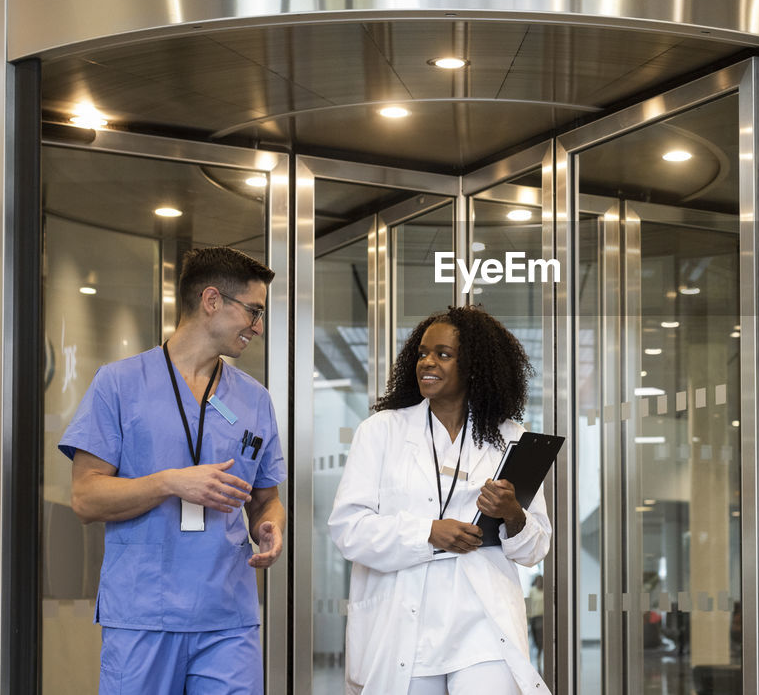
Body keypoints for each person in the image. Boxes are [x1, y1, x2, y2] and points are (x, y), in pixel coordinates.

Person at [59, 246, 287, 695]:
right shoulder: (119, 384)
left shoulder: (254, 399)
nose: (258, 327)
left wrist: (271, 527)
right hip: (144, 613)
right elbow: (85, 498)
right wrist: (169, 482)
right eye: (254, 311)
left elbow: (267, 497)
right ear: (212, 300)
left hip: (228, 615)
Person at [329, 305, 551, 695]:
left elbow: (535, 548)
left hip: (482, 623)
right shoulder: (381, 431)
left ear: (475, 366)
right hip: (404, 624)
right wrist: (429, 532)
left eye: (443, 355)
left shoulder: (511, 435)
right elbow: (349, 530)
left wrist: (513, 514)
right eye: (422, 354)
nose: (427, 362)